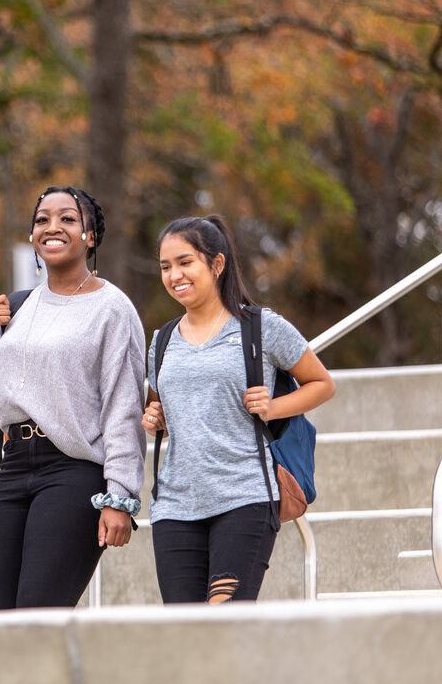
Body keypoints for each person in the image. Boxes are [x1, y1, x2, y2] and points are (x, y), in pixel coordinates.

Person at [0, 186, 147, 610]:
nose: (52, 227)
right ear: (32, 237)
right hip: (13, 469)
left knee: (37, 617)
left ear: (90, 236)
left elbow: (123, 408)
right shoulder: (18, 307)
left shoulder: (112, 308)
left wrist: (120, 496)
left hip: (74, 472)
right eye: (42, 219)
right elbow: (3, 407)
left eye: (67, 218)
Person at [142, 215, 335, 604]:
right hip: (175, 506)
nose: (174, 274)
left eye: (185, 262)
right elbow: (157, 405)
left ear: (216, 264)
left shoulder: (261, 327)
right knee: (186, 632)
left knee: (223, 623)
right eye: (166, 266)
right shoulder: (161, 341)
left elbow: (322, 384)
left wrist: (273, 406)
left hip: (244, 497)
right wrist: (152, 418)